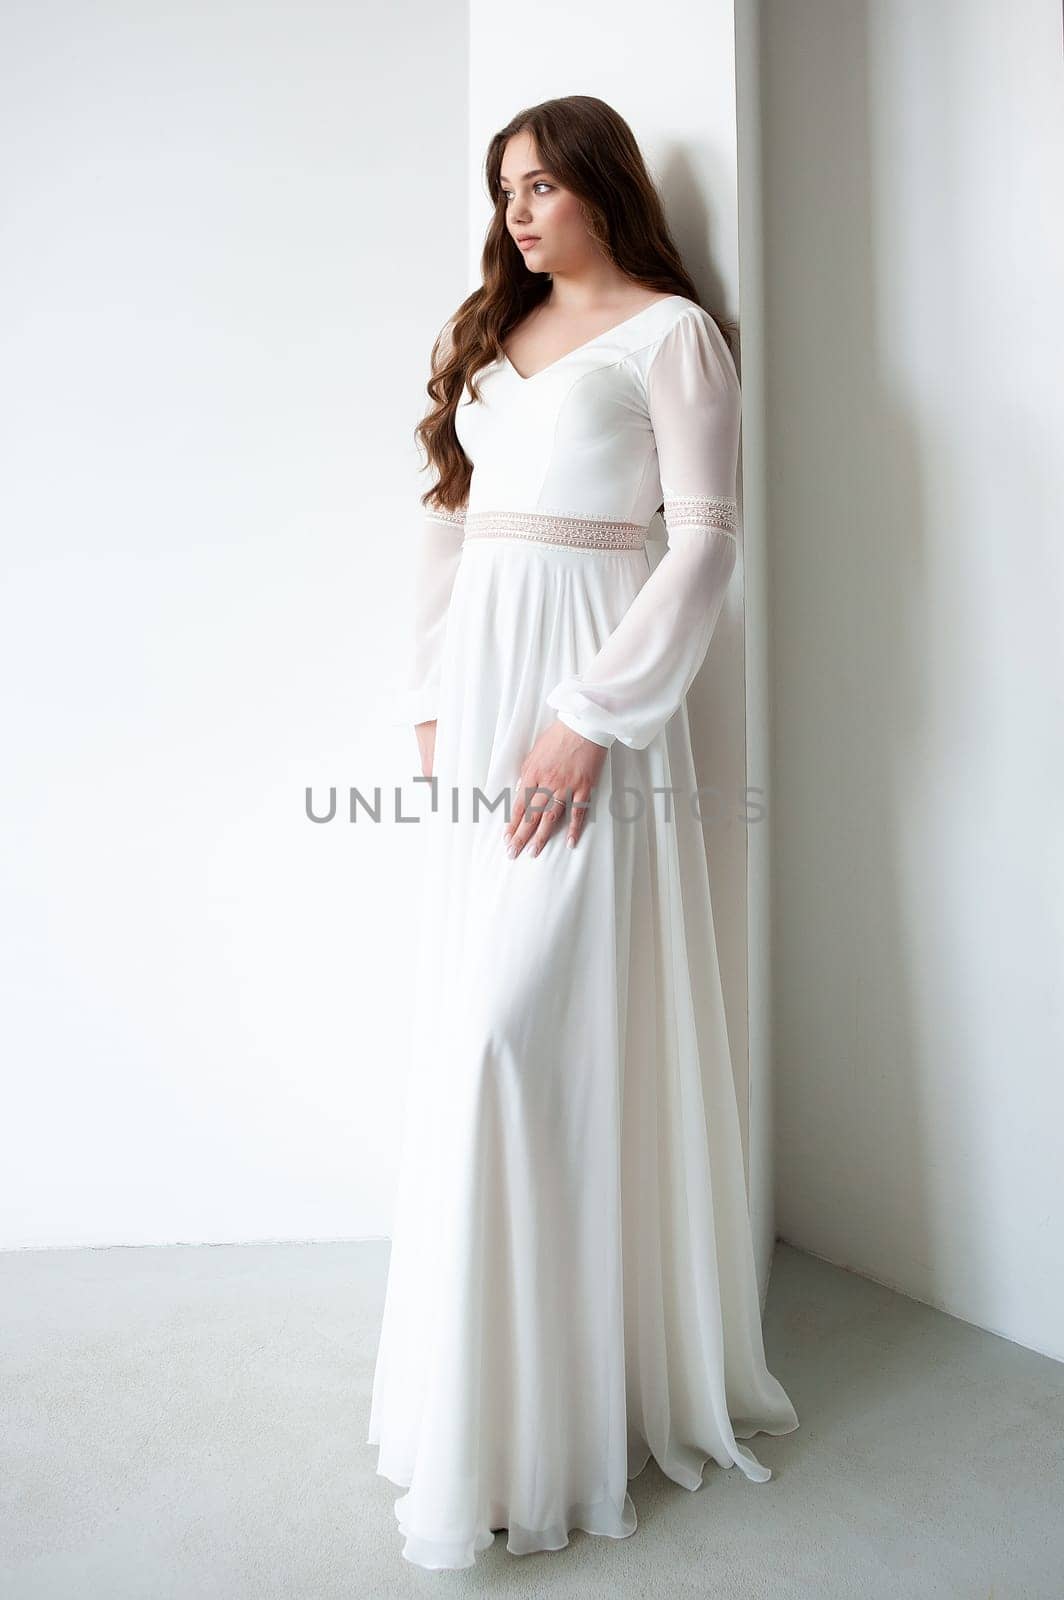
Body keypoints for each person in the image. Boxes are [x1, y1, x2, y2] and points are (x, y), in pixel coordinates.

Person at [367, 93, 799, 1571]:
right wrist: (428, 696)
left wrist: (593, 716)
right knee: (475, 1039)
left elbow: (706, 543)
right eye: (506, 190)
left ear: (605, 186)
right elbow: (444, 517)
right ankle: (485, 1418)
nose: (520, 213)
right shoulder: (491, 335)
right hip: (478, 709)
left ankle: (559, 1418)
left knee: (516, 1035)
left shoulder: (673, 335)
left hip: (588, 708)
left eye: (544, 184)